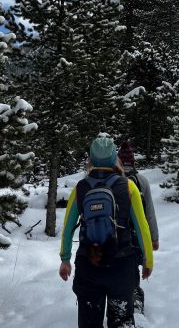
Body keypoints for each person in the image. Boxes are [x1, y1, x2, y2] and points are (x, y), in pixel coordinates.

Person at [59, 135, 154, 328]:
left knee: (89, 323)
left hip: (89, 264)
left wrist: (65, 260)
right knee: (121, 322)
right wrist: (147, 260)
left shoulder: (80, 188)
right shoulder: (129, 186)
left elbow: (67, 228)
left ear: (91, 160)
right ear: (114, 159)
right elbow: (142, 227)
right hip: (122, 265)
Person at [118, 140, 159, 315]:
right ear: (133, 161)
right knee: (133, 270)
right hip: (136, 236)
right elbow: (149, 211)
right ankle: (134, 303)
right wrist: (154, 238)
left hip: (116, 235)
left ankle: (117, 303)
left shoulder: (114, 180)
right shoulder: (141, 181)